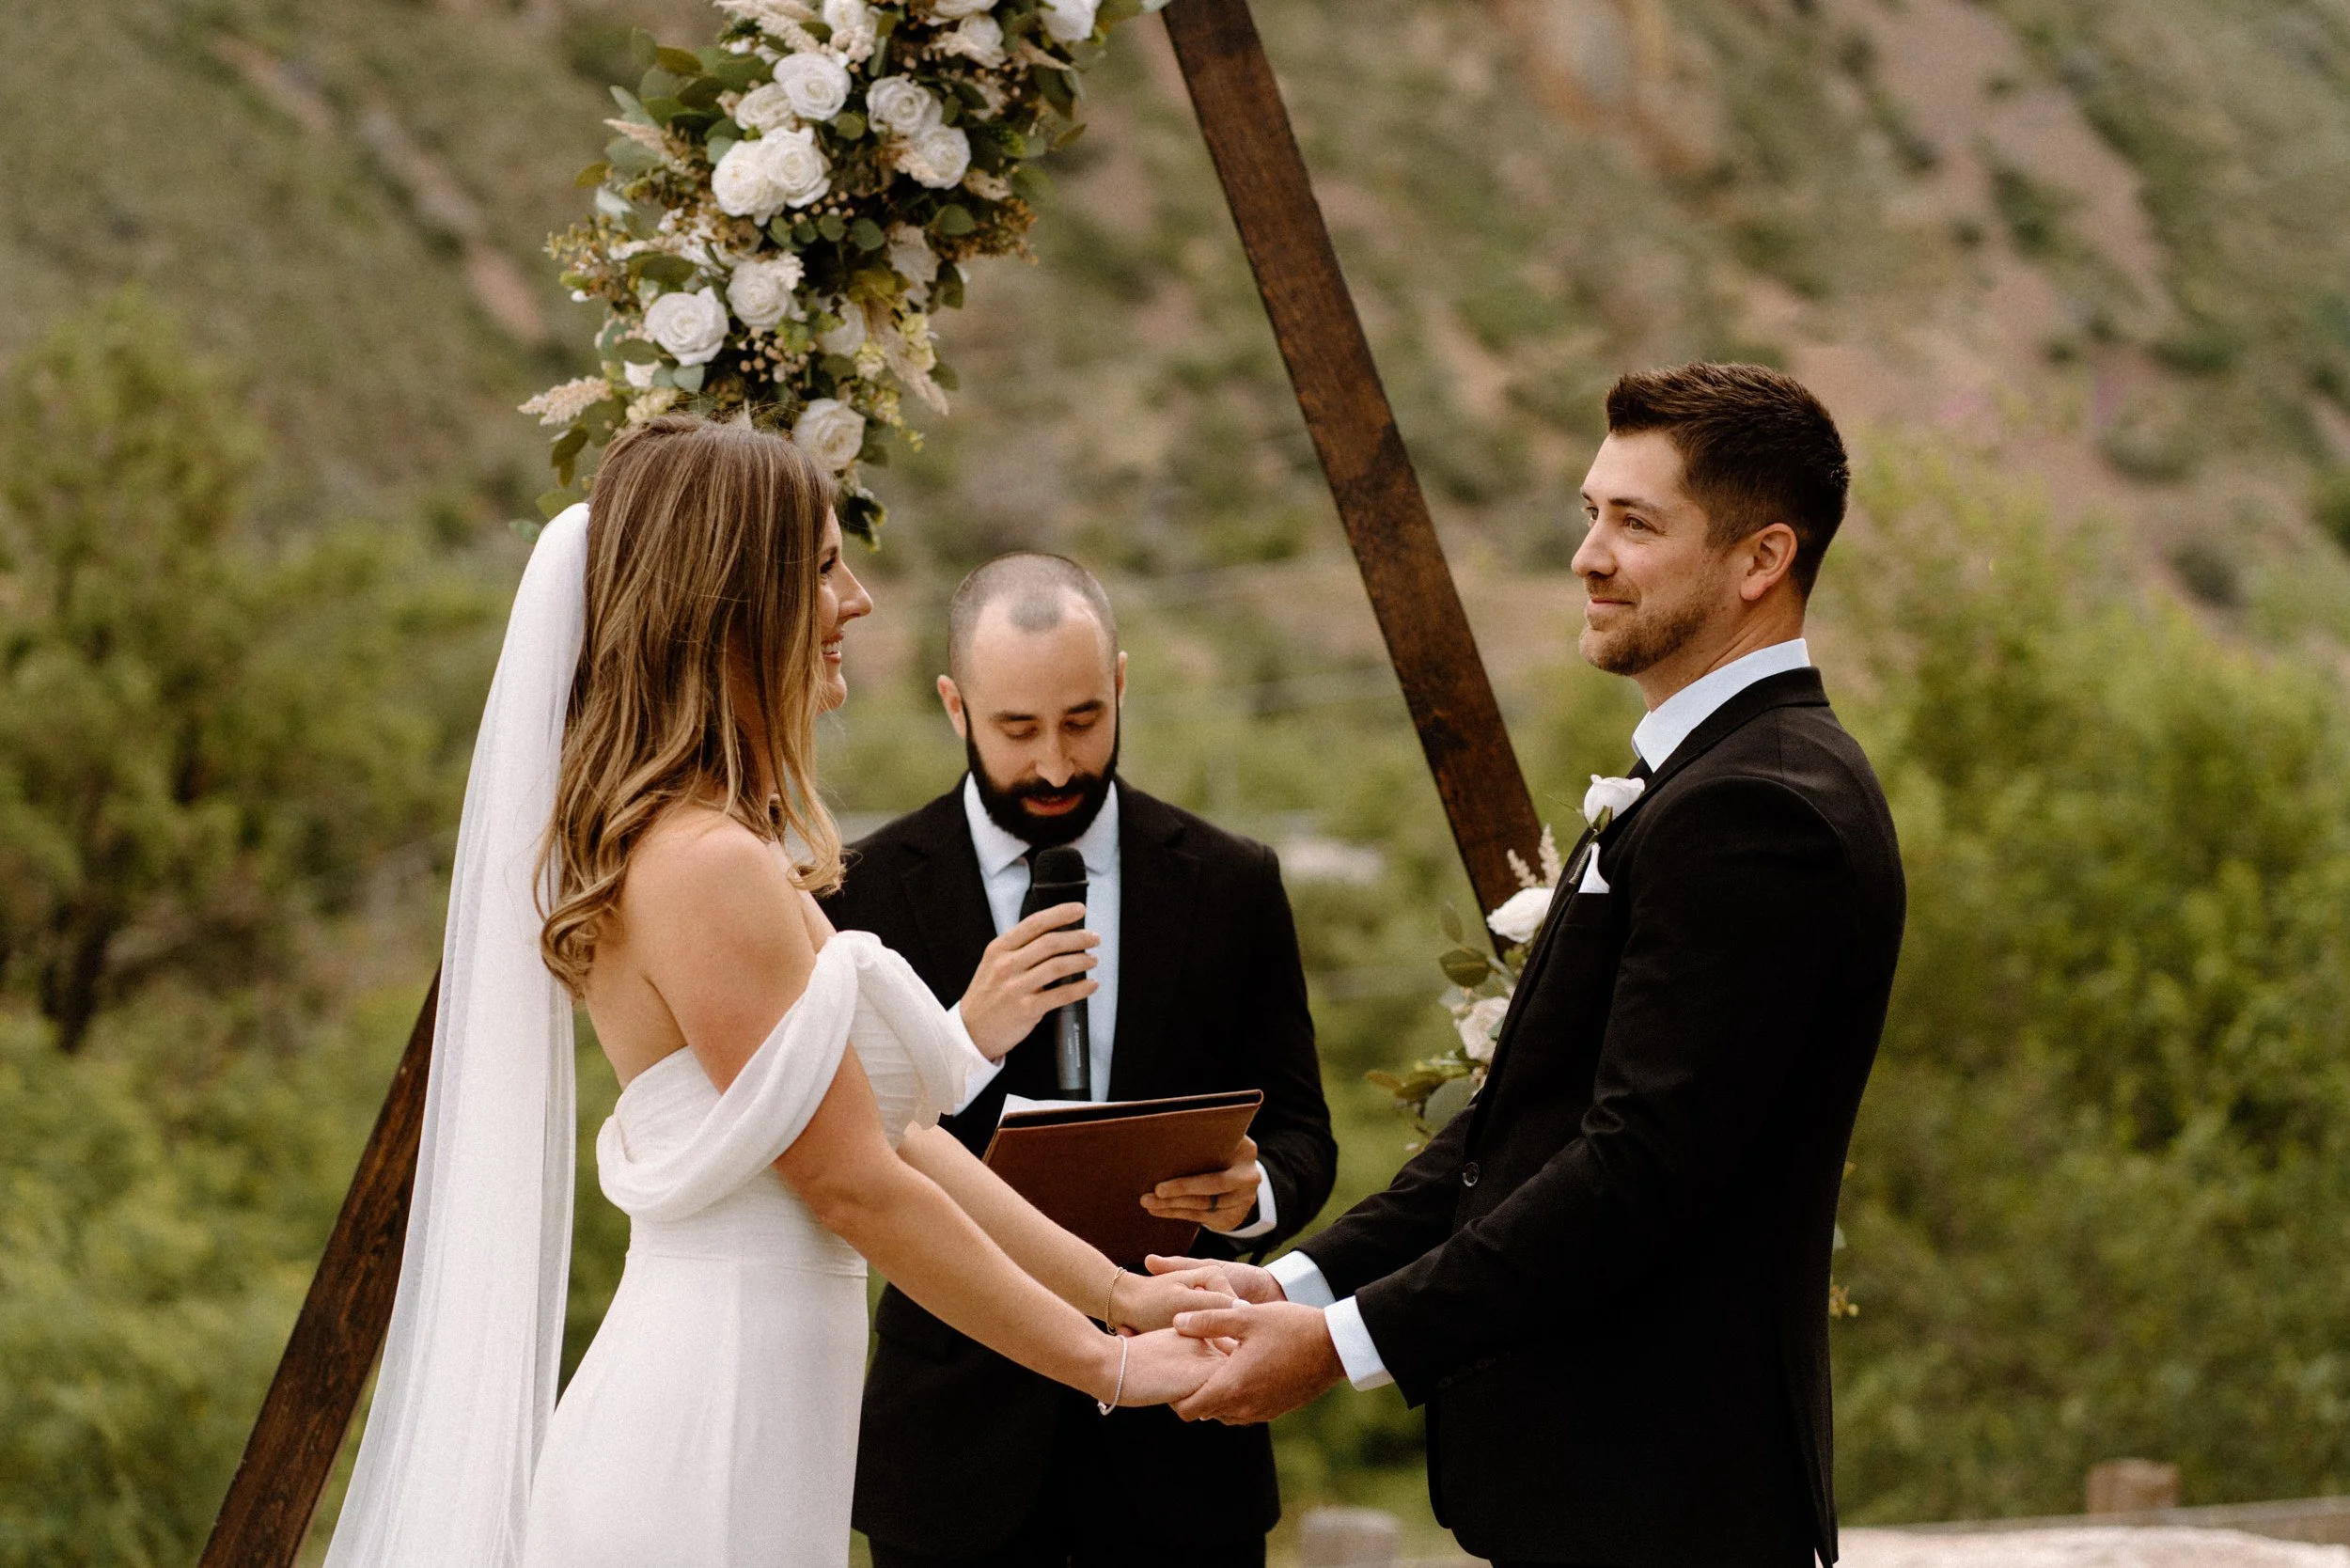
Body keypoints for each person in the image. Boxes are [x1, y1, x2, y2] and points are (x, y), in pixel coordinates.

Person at [319, 416, 1235, 1568]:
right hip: (710, 1424)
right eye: (818, 566)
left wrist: (1122, 1295)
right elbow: (850, 1185)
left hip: (760, 1409)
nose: (855, 598)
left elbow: (900, 1138)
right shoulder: (703, 865)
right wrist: (1107, 1367)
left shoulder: (721, 846)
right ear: (731, 596)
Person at [1157, 364, 1907, 1568]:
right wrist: (1295, 1285)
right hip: (1591, 1497)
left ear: (1763, 559)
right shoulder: (1702, 782)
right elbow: (1521, 1118)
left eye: (1635, 523)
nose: (1587, 555)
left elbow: (1631, 1172)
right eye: (1589, 513)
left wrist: (1347, 1345)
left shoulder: (1760, 810)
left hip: (1663, 1502)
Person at [825, 553, 1339, 1568]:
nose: (1056, 765)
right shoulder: (863, 891)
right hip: (952, 1443)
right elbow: (854, 1152)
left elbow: (1301, 1131)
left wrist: (1254, 1195)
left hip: (1186, 1431)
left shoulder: (1231, 880)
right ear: (953, 706)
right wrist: (963, 1031)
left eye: (1082, 721)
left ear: (1120, 685)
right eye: (1018, 730)